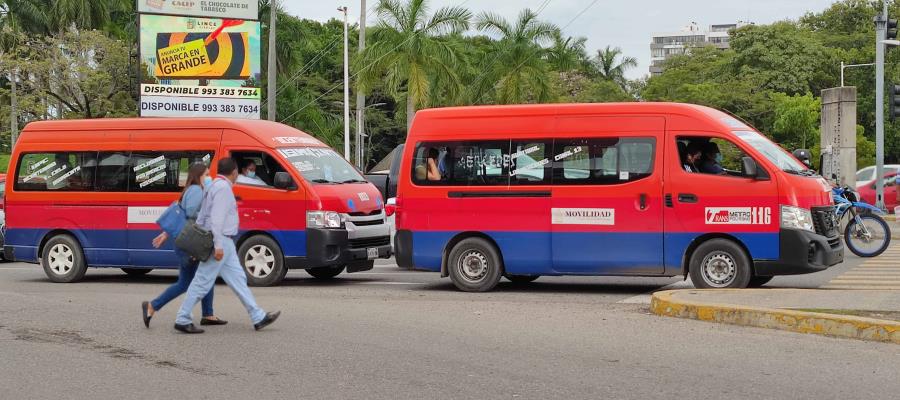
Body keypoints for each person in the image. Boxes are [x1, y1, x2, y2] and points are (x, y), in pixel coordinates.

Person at [174, 158, 280, 334]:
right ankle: (183, 318)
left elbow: (202, 217)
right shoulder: (223, 189)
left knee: (238, 279)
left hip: (223, 241)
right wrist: (217, 246)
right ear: (234, 172)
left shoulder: (213, 186)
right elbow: (216, 220)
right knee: (202, 281)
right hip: (220, 240)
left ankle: (257, 316)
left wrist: (200, 241)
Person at [142, 163, 226, 328]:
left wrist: (166, 234)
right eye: (207, 175)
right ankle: (152, 306)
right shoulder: (196, 191)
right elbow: (192, 216)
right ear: (198, 176)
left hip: (190, 242)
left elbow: (182, 216)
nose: (209, 177)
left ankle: (208, 314)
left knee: (205, 276)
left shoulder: (193, 190)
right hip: (191, 244)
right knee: (186, 283)